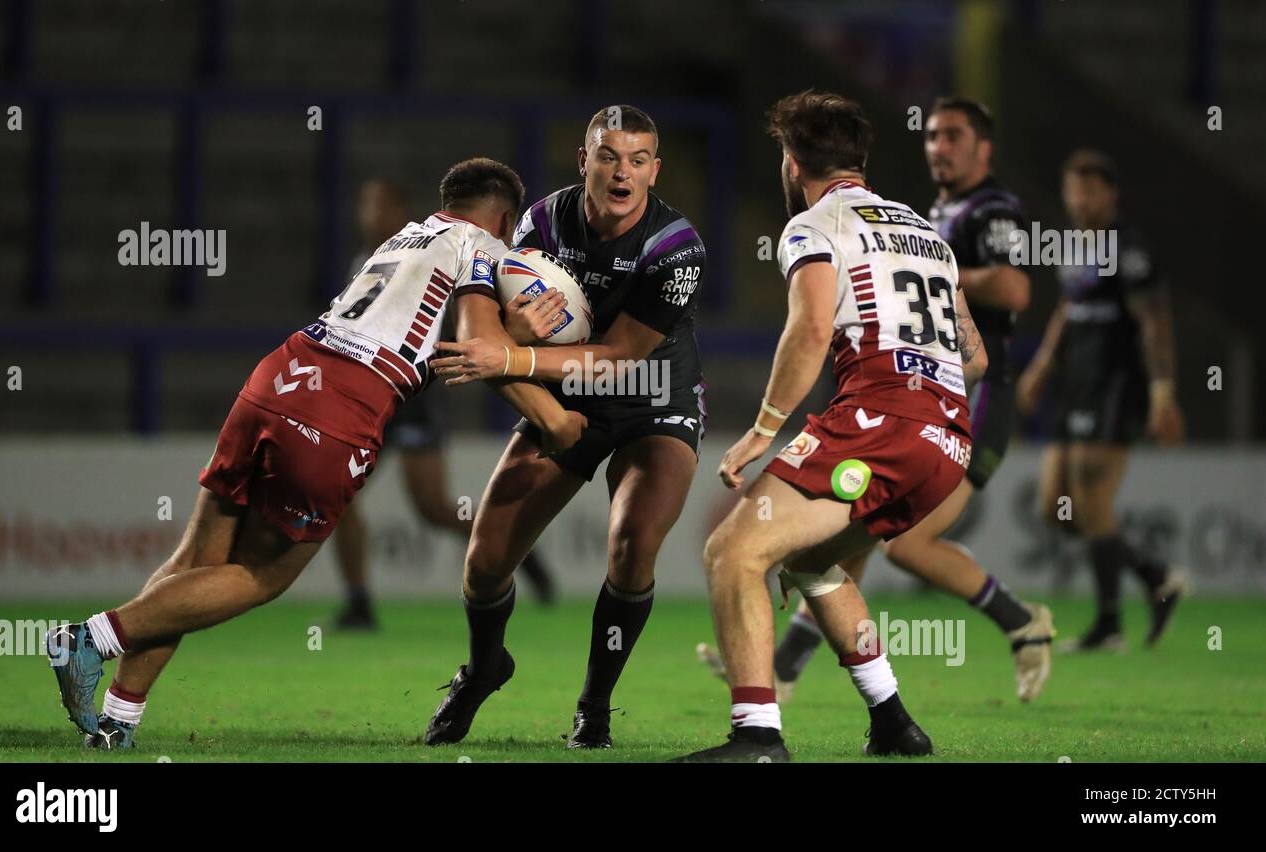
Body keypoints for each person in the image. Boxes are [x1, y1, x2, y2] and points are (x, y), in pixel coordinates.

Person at [45, 159, 583, 749]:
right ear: (504, 217)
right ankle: (89, 639)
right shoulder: (480, 244)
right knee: (264, 574)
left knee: (196, 557)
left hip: (282, 371)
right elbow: (482, 349)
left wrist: (509, 341)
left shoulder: (406, 237)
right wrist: (549, 405)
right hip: (342, 406)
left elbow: (445, 345)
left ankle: (119, 721)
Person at [697, 96, 1054, 705]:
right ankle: (886, 717)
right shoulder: (926, 233)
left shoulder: (814, 225)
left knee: (732, 550)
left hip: (880, 420)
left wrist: (764, 430)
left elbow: (808, 332)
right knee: (813, 562)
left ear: (791, 162)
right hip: (947, 438)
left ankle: (754, 730)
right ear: (860, 158)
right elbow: (976, 359)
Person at [424, 105, 708, 749]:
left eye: (638, 160)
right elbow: (493, 332)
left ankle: (595, 707)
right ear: (584, 161)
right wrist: (513, 339)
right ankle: (484, 668)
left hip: (653, 396)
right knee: (486, 561)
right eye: (608, 156)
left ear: (654, 171)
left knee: (633, 543)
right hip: (567, 392)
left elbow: (621, 358)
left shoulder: (675, 246)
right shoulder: (541, 223)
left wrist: (515, 353)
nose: (622, 172)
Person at [332, 178, 555, 631]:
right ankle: (359, 602)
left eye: (379, 204)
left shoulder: (434, 251)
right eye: (365, 205)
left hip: (415, 396)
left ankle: (510, 547)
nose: (370, 215)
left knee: (433, 507)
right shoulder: (368, 260)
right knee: (338, 497)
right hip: (374, 396)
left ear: (399, 212)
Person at [1016, 148, 1190, 652]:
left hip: (1119, 387)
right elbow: (1068, 309)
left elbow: (1155, 322)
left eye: (1091, 189)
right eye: (1074, 189)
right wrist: (1042, 365)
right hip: (1076, 386)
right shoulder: (1072, 246)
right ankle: (1155, 575)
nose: (1081, 199)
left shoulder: (1130, 249)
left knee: (1091, 499)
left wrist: (1162, 392)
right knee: (1057, 510)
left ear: (1110, 194)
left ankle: (1109, 624)